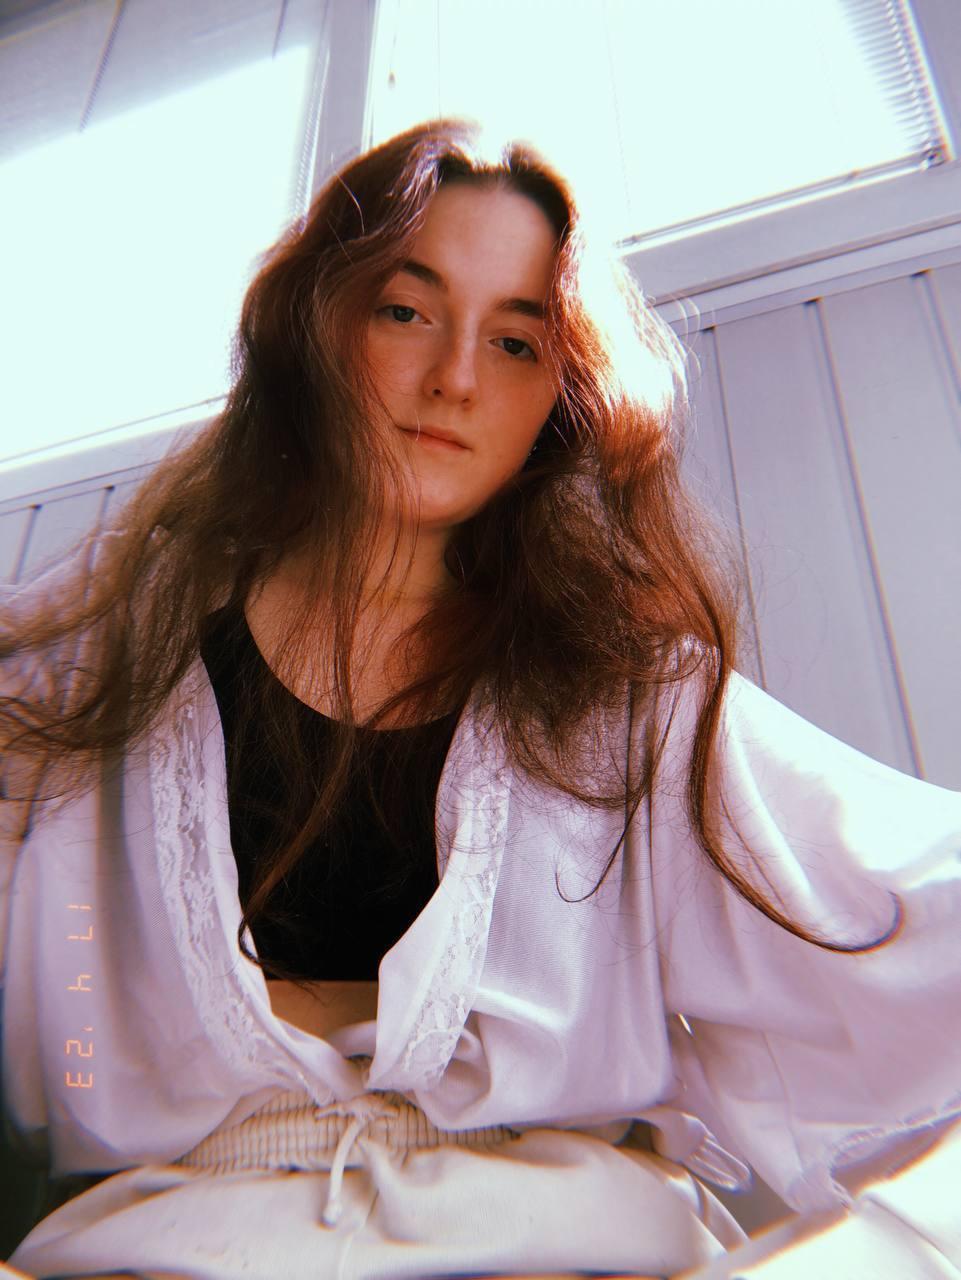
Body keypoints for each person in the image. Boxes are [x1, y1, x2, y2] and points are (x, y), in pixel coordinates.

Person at [1, 116, 960, 1280]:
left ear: (562, 391)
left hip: (571, 1251)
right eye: (406, 311)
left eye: (515, 341)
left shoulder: (632, 699)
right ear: (314, 324)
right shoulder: (76, 675)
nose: (454, 377)